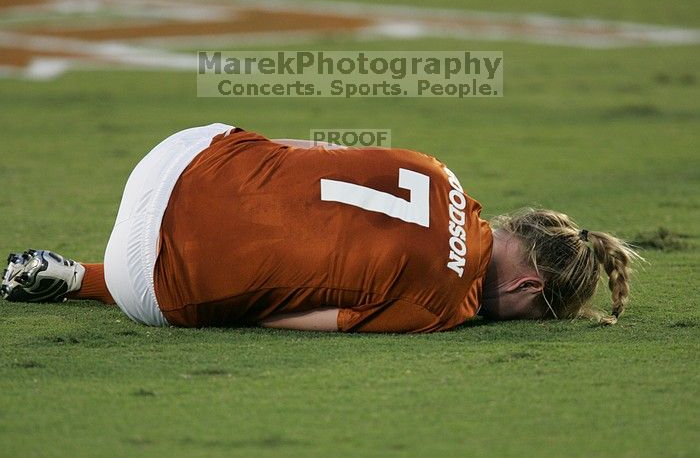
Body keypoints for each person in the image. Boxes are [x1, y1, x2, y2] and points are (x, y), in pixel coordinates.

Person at [0, 123, 640, 332]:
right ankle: (101, 277)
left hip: (176, 153)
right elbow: (302, 316)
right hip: (147, 280)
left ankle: (79, 276)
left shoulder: (435, 168)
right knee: (247, 285)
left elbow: (304, 150)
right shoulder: (447, 305)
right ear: (529, 287)